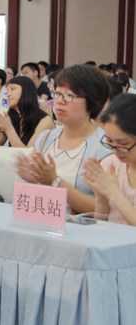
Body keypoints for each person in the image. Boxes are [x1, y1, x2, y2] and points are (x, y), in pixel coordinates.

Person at [17, 64, 112, 214]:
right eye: (58, 93)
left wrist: (55, 181)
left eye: (70, 95)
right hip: (42, 224)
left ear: (92, 101)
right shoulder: (46, 138)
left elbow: (104, 210)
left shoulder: (106, 148)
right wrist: (32, 180)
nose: (60, 101)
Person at [82, 94, 136, 225]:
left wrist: (113, 192)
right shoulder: (110, 164)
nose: (115, 149)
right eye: (109, 141)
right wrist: (101, 200)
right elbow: (100, 229)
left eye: (123, 143)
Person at [0, 76, 55, 148]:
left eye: (12, 89)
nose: (8, 94)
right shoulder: (13, 116)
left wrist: (9, 128)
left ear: (26, 91)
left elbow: (27, 154)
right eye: (7, 91)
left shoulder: (45, 120)